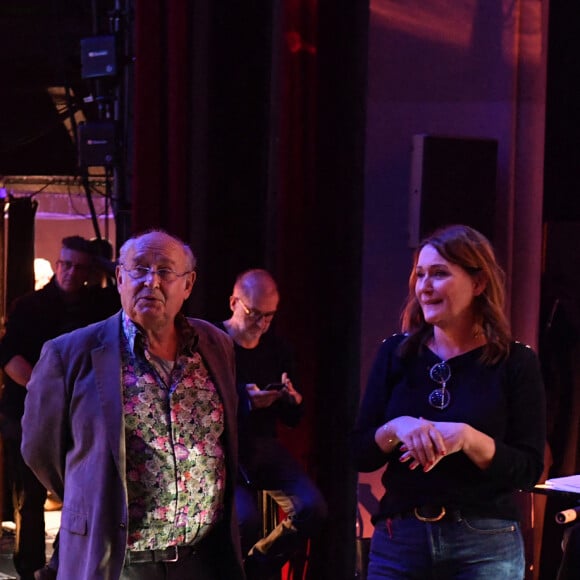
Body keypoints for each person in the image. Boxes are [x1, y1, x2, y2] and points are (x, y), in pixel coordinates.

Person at [21, 229, 245, 580]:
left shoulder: (216, 345)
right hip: (117, 562)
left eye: (165, 271)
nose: (151, 282)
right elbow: (40, 450)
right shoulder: (69, 353)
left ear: (187, 285)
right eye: (139, 269)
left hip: (202, 560)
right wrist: (94, 488)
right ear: (120, 277)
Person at [352, 224, 546, 579]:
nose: (424, 286)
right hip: (401, 538)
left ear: (479, 283)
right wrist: (397, 427)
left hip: (486, 541)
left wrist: (469, 439)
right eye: (420, 274)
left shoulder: (516, 362)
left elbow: (529, 469)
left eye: (439, 274)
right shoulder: (395, 354)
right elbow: (360, 452)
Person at [0, 235, 120, 580]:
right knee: (29, 497)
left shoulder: (99, 306)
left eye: (78, 267)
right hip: (28, 412)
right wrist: (44, 389)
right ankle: (31, 570)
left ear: (88, 272)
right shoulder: (29, 306)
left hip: (81, 417)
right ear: (57, 265)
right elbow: (8, 354)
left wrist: (109, 268)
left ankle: (67, 567)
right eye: (65, 264)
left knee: (83, 495)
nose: (69, 272)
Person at [216, 268, 327, 579]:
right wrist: (246, 399)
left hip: (262, 447)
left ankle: (255, 567)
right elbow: (200, 405)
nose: (261, 324)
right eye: (254, 314)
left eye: (269, 316)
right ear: (233, 302)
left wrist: (293, 401)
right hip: (221, 451)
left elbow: (292, 421)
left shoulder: (278, 349)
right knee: (244, 520)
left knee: (312, 508)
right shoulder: (212, 341)